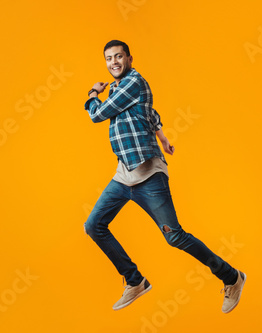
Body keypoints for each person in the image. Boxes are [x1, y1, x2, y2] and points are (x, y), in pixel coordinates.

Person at [84, 40, 246, 313]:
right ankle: (135, 282)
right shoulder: (121, 88)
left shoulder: (132, 82)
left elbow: (98, 114)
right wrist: (163, 136)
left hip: (148, 176)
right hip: (124, 175)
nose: (114, 62)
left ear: (129, 58)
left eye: (119, 56)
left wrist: (91, 94)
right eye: (109, 58)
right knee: (94, 226)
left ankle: (231, 277)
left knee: (175, 237)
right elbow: (151, 113)